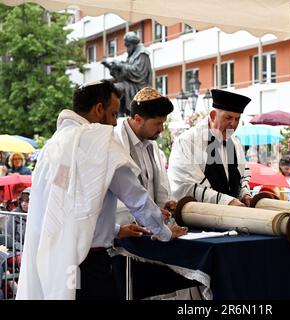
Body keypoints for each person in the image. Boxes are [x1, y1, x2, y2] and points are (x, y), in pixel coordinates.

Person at [16, 80, 186, 300]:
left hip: (56, 258)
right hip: (89, 263)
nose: (115, 124)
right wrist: (163, 232)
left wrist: (114, 229)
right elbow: (137, 199)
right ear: (98, 109)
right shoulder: (100, 143)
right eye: (114, 114)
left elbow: (72, 207)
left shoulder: (54, 144)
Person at [168, 89, 252, 206]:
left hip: (233, 219)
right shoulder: (187, 142)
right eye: (228, 117)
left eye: (237, 119)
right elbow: (185, 186)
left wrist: (245, 194)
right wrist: (228, 202)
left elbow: (240, 179)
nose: (233, 124)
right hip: (197, 220)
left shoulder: (235, 143)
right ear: (213, 116)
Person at [114, 87, 176, 222]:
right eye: (157, 123)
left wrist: (165, 204)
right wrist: (148, 212)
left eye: (163, 123)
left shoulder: (151, 145)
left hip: (152, 231)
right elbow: (117, 196)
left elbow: (158, 190)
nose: (161, 129)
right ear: (138, 119)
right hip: (123, 231)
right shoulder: (114, 142)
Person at [102, 31, 152, 116]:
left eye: (127, 45)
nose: (127, 48)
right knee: (111, 88)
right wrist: (112, 67)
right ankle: (118, 113)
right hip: (129, 84)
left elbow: (138, 73)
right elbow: (125, 73)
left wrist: (121, 66)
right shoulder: (133, 54)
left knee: (115, 88)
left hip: (138, 86)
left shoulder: (142, 54)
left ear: (133, 44)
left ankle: (119, 113)